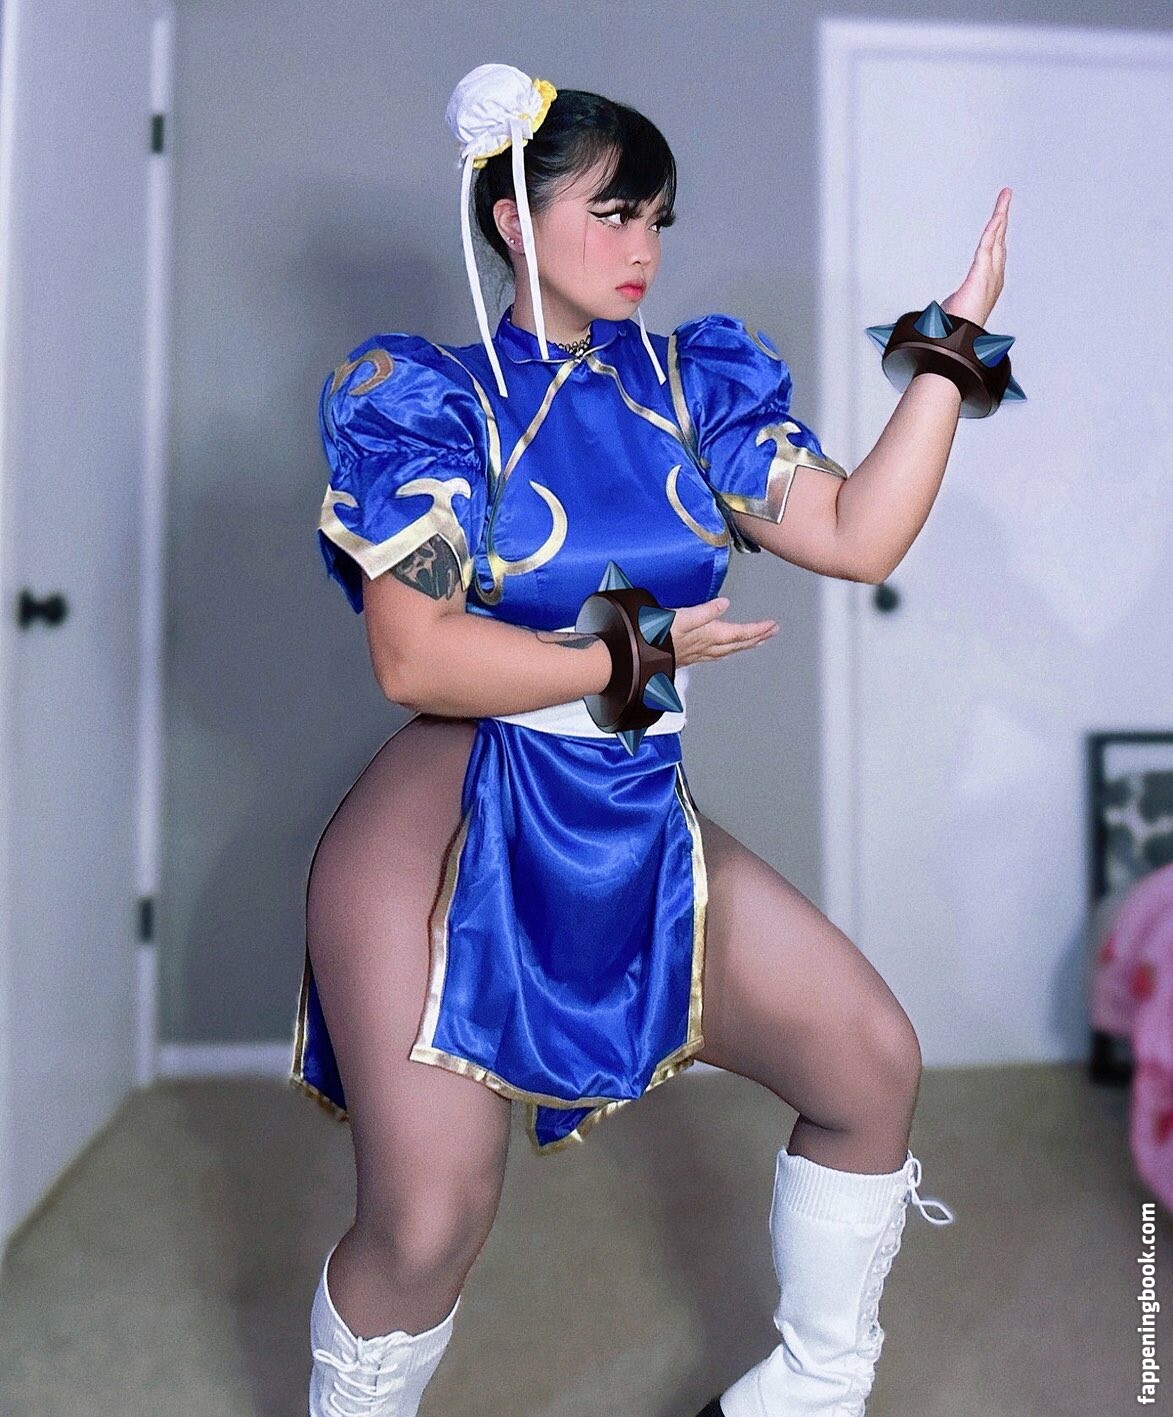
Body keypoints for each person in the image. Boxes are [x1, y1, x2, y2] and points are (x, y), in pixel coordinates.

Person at [292, 61, 1016, 1417]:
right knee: (430, 1217)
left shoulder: (690, 384)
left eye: (657, 218)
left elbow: (856, 533)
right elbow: (413, 657)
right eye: (613, 212)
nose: (644, 246)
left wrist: (947, 353)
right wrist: (630, 653)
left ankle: (804, 1397)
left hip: (626, 805)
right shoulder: (430, 397)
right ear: (514, 219)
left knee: (868, 1061)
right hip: (445, 820)